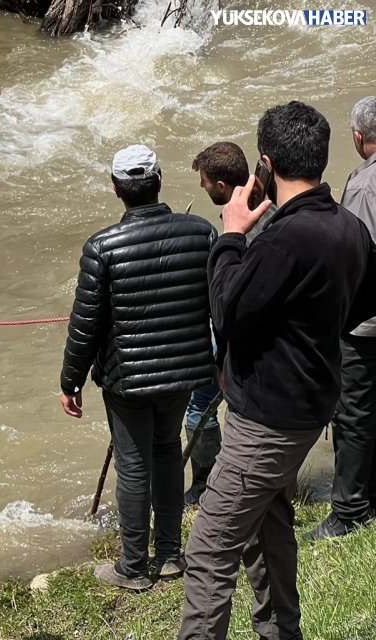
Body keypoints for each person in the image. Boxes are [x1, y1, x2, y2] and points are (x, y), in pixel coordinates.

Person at [179, 101, 373, 640]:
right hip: (307, 407)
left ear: (265, 162)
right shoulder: (349, 228)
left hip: (265, 423)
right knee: (268, 529)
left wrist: (231, 235)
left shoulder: (284, 241)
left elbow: (226, 312)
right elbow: (356, 309)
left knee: (209, 547)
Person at [60, 144, 217, 590]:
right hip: (184, 371)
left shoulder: (102, 246)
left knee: (133, 466)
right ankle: (169, 555)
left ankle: (132, 566)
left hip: (128, 380)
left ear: (116, 189)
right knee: (167, 451)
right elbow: (219, 304)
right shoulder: (200, 232)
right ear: (160, 181)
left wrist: (70, 381)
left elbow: (86, 324)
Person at [310, 95, 376, 540]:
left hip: (366, 322)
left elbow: (355, 254)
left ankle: (350, 510)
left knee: (354, 414)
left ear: (358, 137)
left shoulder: (364, 186)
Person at [181, 141, 254, 507]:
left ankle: (205, 486)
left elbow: (225, 301)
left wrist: (220, 358)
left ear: (222, 188)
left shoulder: (234, 229)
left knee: (198, 405)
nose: (202, 187)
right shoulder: (263, 206)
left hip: (239, 337)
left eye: (205, 181)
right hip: (250, 335)